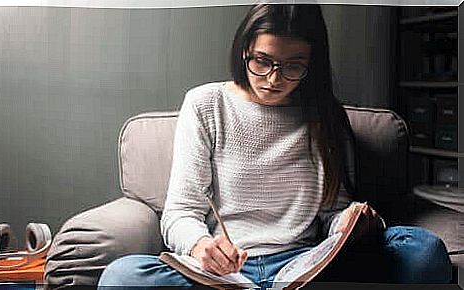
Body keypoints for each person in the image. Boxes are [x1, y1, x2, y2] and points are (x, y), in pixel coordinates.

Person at [98, 4, 452, 289]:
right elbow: (180, 212)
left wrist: (350, 223)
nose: (273, 78)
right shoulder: (206, 105)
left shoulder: (325, 115)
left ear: (311, 65)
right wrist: (200, 246)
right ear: (244, 51)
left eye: (293, 66)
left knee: (423, 252)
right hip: (224, 271)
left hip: (304, 265)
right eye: (262, 61)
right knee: (121, 277)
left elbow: (331, 214)